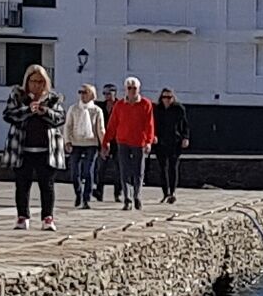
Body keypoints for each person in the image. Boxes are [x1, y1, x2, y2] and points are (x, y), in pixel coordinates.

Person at [4, 63, 66, 231]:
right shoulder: (18, 96)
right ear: (27, 82)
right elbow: (8, 115)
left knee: (47, 185)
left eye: (40, 81)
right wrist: (27, 111)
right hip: (22, 149)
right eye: (33, 81)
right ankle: (22, 217)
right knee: (22, 185)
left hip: (46, 150)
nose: (36, 85)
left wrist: (44, 112)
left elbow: (60, 118)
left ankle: (48, 218)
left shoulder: (53, 98)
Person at [105, 78, 153, 206]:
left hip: (139, 141)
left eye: (134, 88)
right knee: (124, 170)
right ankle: (127, 198)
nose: (132, 91)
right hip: (123, 141)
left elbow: (149, 124)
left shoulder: (146, 104)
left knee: (138, 171)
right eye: (129, 88)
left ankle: (137, 195)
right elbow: (112, 124)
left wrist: (149, 141)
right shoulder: (119, 105)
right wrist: (106, 141)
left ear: (139, 89)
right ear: (125, 89)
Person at [66, 83, 106, 209]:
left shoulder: (97, 110)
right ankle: (78, 193)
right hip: (76, 143)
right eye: (80, 92)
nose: (82, 95)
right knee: (74, 172)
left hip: (91, 143)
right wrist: (67, 141)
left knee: (88, 171)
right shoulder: (73, 108)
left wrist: (104, 144)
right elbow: (68, 126)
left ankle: (86, 198)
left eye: (85, 92)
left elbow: (100, 128)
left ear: (92, 95)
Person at [149, 87, 187, 203]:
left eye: (169, 97)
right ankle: (165, 193)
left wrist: (185, 137)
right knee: (162, 168)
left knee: (173, 167)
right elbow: (153, 124)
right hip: (161, 142)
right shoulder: (157, 109)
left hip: (175, 141)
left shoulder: (178, 109)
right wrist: (153, 136)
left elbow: (184, 124)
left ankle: (173, 192)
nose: (167, 100)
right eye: (164, 97)